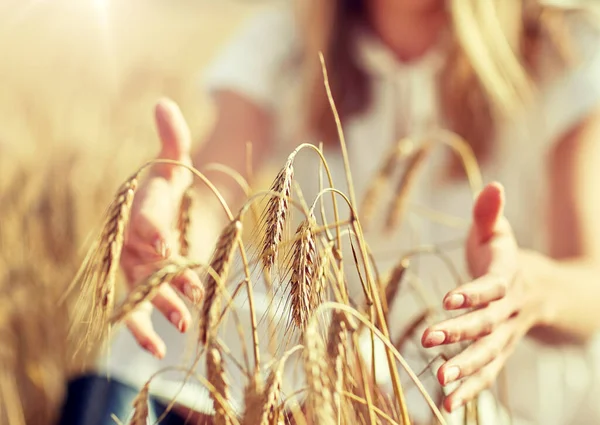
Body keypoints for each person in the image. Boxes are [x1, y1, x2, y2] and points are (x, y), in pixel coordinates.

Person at [70, 0, 600, 424]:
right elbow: (212, 194)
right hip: (329, 353)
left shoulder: (562, 49)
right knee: (158, 339)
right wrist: (174, 229)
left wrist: (526, 290)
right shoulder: (289, 42)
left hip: (477, 389)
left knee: (353, 365)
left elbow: (590, 284)